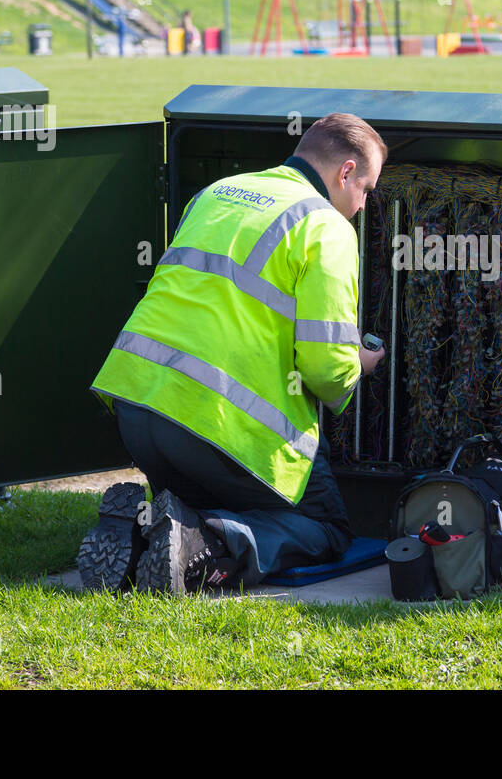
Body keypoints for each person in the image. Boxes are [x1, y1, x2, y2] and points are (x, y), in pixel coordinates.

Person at [79, 114, 388, 595]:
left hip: (137, 410)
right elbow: (326, 369)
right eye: (366, 189)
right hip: (218, 429)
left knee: (189, 501)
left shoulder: (219, 192)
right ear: (345, 172)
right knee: (327, 529)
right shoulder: (326, 226)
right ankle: (205, 546)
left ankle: (144, 537)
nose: (363, 204)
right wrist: (360, 365)